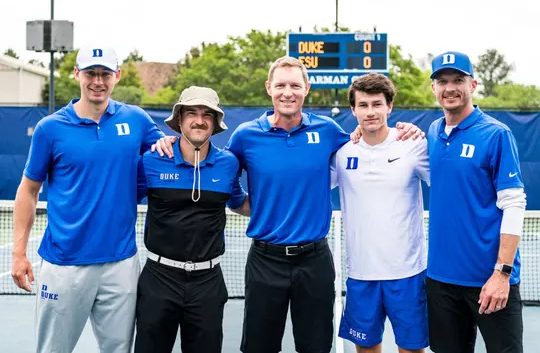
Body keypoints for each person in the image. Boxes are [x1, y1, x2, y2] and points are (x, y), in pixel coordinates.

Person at [154, 56, 423, 353]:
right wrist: (168, 141)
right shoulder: (246, 136)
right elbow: (218, 168)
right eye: (280, 85)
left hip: (315, 261)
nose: (287, 92)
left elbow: (368, 137)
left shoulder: (329, 131)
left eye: (295, 85)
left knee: (317, 347)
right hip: (265, 261)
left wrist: (405, 131)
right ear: (269, 88)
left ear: (306, 88)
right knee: (259, 347)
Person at [11, 46, 164, 353]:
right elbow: (28, 190)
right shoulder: (50, 128)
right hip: (64, 266)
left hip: (121, 264)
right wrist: (19, 253)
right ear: (77, 74)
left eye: (105, 74)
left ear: (117, 76)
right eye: (91, 73)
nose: (98, 81)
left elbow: (169, 153)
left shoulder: (136, 120)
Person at [134, 86, 249, 353]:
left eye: (207, 114)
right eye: (191, 113)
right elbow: (122, 203)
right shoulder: (151, 160)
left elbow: (239, 203)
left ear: (215, 122)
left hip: (208, 283)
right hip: (158, 280)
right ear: (179, 120)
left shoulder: (228, 164)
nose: (199, 120)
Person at [426, 51, 526, 353]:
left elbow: (514, 203)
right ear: (433, 89)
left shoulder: (496, 133)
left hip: (490, 282)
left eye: (459, 80)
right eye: (442, 81)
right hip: (441, 282)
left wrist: (502, 273)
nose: (450, 87)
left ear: (474, 84)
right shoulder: (432, 132)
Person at [332, 73, 430, 353]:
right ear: (353, 110)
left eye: (377, 104)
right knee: (366, 350)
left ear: (389, 106)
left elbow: (450, 184)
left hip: (408, 274)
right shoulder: (341, 152)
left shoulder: (413, 145)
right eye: (363, 105)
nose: (370, 111)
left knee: (411, 350)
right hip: (361, 274)